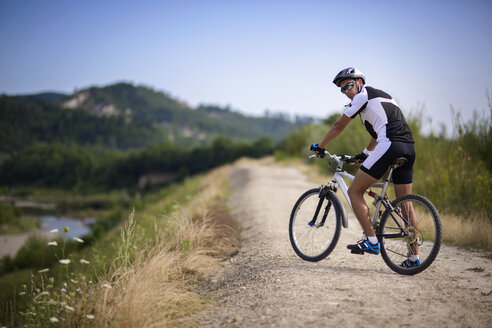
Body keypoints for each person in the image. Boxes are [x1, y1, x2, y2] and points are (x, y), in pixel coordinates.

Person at [310, 67, 420, 268]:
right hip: (409, 147)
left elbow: (338, 126)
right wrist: (366, 154)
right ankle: (414, 259)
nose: (346, 91)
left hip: (390, 145)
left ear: (359, 82)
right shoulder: (384, 97)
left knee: (355, 191)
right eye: (342, 90)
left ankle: (371, 241)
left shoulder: (363, 96)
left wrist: (321, 146)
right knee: (406, 204)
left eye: (349, 86)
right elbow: (379, 131)